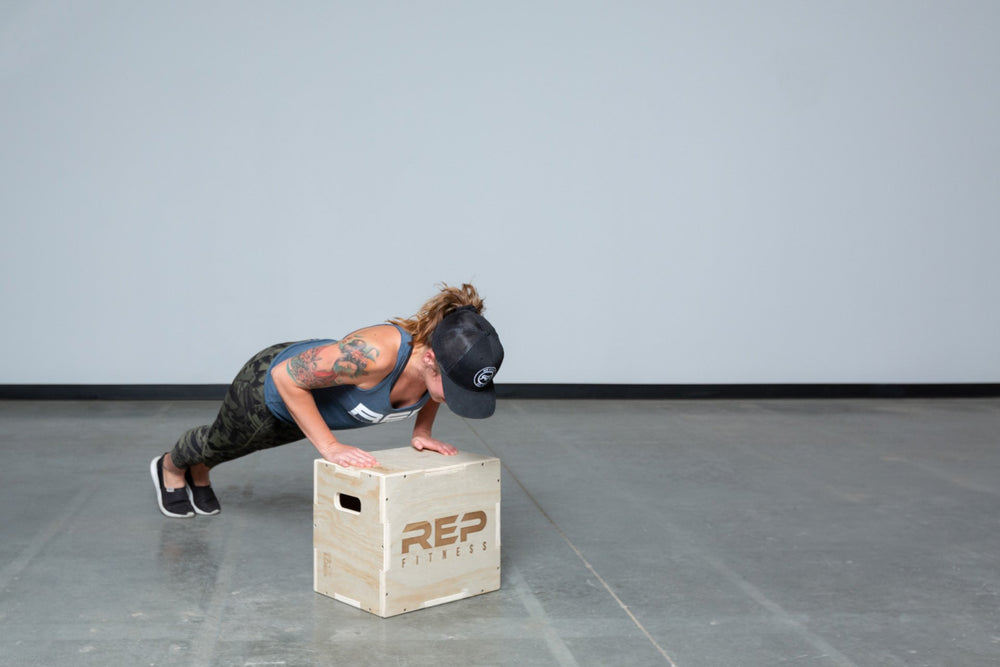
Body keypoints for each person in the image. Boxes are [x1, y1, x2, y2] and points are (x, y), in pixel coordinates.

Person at [150, 283, 504, 518]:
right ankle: (170, 465)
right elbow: (285, 376)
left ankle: (201, 468)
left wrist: (422, 431)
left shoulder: (434, 364)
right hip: (267, 390)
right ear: (430, 360)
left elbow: (435, 391)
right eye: (454, 388)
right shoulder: (373, 354)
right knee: (222, 441)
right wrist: (331, 446)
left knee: (243, 447)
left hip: (304, 408)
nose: (451, 397)